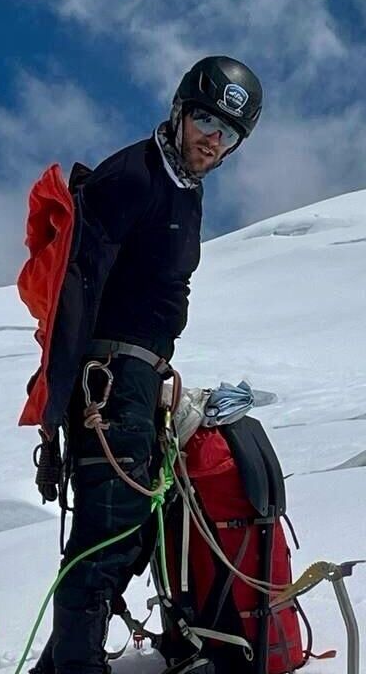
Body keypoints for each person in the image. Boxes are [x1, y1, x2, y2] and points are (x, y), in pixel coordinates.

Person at [29, 56, 264, 674]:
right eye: (207, 120)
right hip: (107, 384)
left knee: (129, 535)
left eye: (229, 132)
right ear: (181, 111)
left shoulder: (187, 191)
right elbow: (75, 290)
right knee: (105, 540)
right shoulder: (132, 177)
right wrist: (63, 408)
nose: (213, 138)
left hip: (139, 382)